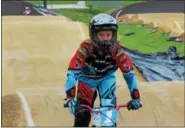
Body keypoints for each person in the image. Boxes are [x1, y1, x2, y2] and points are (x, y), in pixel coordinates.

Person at [64, 13, 142, 127]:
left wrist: (136, 98)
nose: (105, 38)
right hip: (86, 81)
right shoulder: (85, 49)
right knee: (82, 117)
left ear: (113, 35)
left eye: (108, 34)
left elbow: (129, 74)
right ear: (94, 35)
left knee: (108, 118)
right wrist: (70, 98)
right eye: (101, 35)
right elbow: (72, 74)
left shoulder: (118, 52)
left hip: (107, 80)